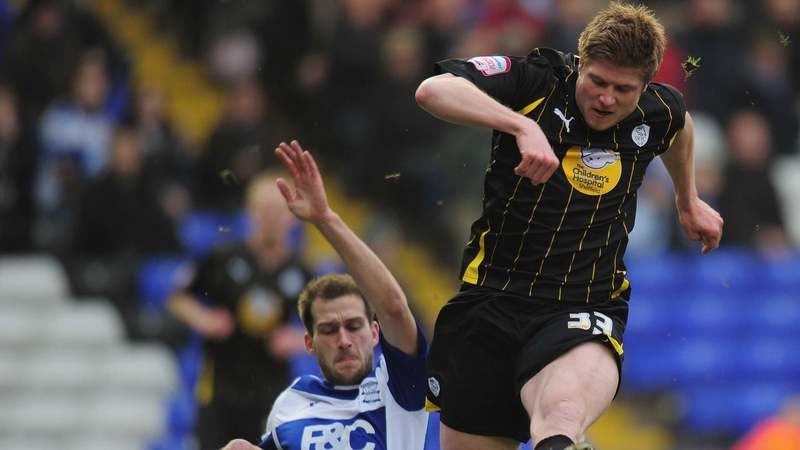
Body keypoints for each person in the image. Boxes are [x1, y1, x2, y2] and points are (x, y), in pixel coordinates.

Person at [414, 3, 724, 450]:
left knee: (559, 418)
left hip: (584, 302)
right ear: (580, 62)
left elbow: (680, 127)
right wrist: (519, 124)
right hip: (491, 299)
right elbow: (432, 91)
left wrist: (687, 200)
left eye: (624, 89)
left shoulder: (659, 109)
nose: (607, 98)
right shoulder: (534, 80)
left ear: (646, 85)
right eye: (597, 81)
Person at [221, 140, 430, 450]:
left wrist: (326, 220)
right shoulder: (290, 405)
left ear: (375, 332)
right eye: (329, 330)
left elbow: (395, 309)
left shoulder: (399, 386)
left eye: (354, 326)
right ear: (309, 343)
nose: (343, 339)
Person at [168, 169, 315, 450]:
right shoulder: (223, 258)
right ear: (250, 212)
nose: (271, 216)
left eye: (278, 209)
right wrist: (204, 319)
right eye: (264, 208)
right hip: (220, 391)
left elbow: (326, 330)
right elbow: (178, 299)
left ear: (291, 216)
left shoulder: (301, 271)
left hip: (272, 395)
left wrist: (296, 341)